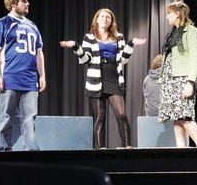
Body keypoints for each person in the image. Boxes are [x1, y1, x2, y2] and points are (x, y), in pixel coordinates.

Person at [60, 8, 146, 149]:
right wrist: (75, 46)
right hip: (96, 80)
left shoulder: (119, 36)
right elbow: (86, 59)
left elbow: (123, 59)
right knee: (100, 117)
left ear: (111, 21)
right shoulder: (89, 37)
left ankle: (127, 146)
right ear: (97, 19)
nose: (105, 19)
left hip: (114, 77)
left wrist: (131, 44)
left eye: (108, 17)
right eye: (102, 16)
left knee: (121, 114)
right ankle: (101, 149)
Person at [0, 0, 46, 151]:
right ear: (13, 3)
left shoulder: (33, 26)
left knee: (30, 119)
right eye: (24, 1)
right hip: (9, 78)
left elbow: (38, 53)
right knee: (5, 118)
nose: (28, 3)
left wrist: (42, 76)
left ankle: (31, 152)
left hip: (29, 80)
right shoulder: (3, 24)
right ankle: (3, 151)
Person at [158, 1, 197, 147]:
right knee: (176, 118)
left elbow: (195, 57)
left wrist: (190, 82)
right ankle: (181, 151)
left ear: (177, 14)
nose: (167, 17)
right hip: (170, 79)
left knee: (186, 115)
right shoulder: (172, 33)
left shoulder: (192, 31)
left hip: (183, 78)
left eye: (169, 13)